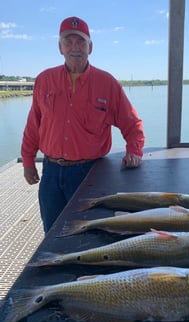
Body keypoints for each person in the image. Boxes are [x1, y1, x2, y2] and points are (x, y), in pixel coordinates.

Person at [21, 16, 145, 233]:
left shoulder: (107, 83)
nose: (74, 48)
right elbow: (34, 124)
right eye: (68, 42)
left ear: (90, 47)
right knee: (52, 232)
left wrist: (134, 151)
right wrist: (28, 161)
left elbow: (132, 124)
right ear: (60, 47)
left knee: (90, 232)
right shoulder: (44, 80)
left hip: (90, 173)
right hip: (51, 173)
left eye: (80, 42)